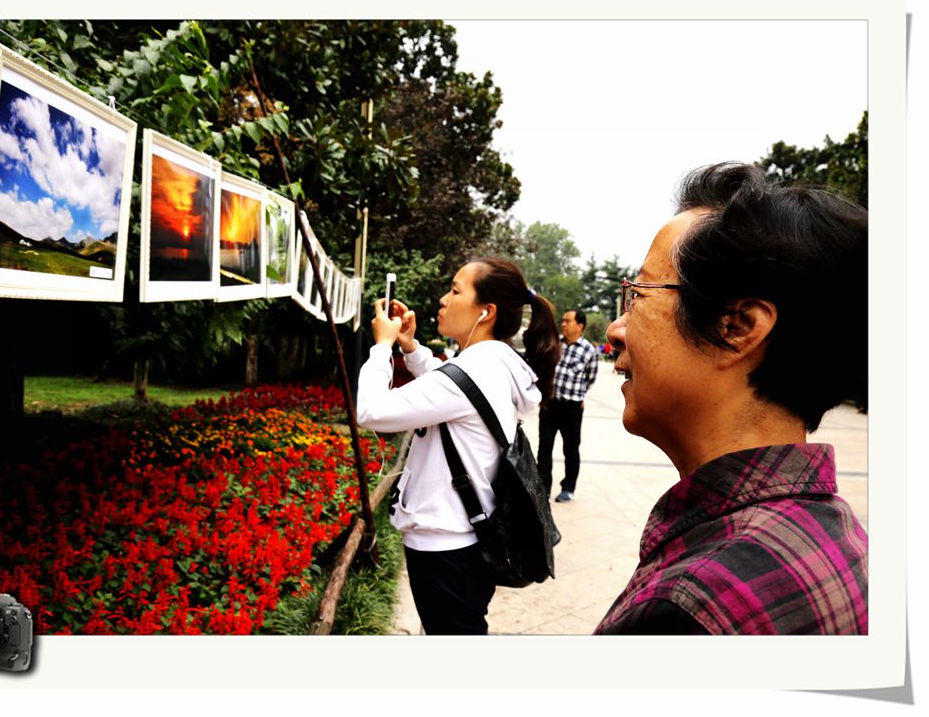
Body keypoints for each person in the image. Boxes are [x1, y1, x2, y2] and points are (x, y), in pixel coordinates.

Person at [594, 162, 868, 635]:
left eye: (638, 296)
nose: (616, 330)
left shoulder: (685, 610)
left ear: (738, 327)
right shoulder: (841, 535)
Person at [355, 258, 560, 634]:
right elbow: (451, 384)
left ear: (486, 311)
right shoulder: (494, 364)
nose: (443, 299)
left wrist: (382, 346)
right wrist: (411, 346)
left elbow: (371, 411)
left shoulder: (473, 372)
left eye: (455, 290)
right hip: (466, 539)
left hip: (444, 547)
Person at [537, 309, 599, 502]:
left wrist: (578, 394)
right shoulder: (555, 344)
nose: (563, 324)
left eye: (568, 321)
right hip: (549, 406)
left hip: (572, 408)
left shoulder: (589, 350)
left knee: (571, 450)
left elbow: (590, 378)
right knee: (544, 449)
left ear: (580, 326)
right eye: (562, 320)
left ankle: (568, 488)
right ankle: (543, 489)